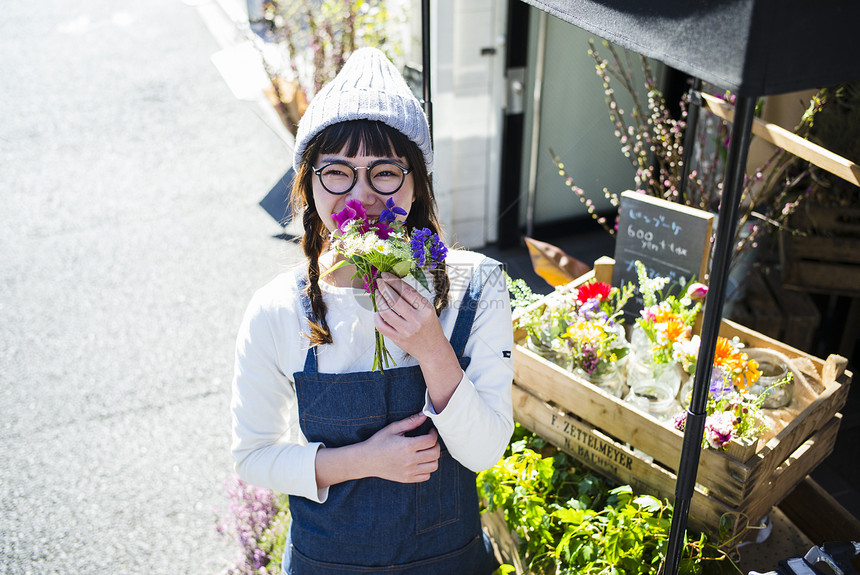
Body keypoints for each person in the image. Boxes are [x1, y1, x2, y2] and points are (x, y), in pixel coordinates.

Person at [231, 47, 514, 574]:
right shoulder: (278, 308)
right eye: (336, 171)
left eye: (384, 171)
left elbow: (485, 452)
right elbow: (252, 456)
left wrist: (432, 348)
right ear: (308, 181)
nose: (360, 196)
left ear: (416, 182)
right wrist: (365, 460)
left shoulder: (478, 284)